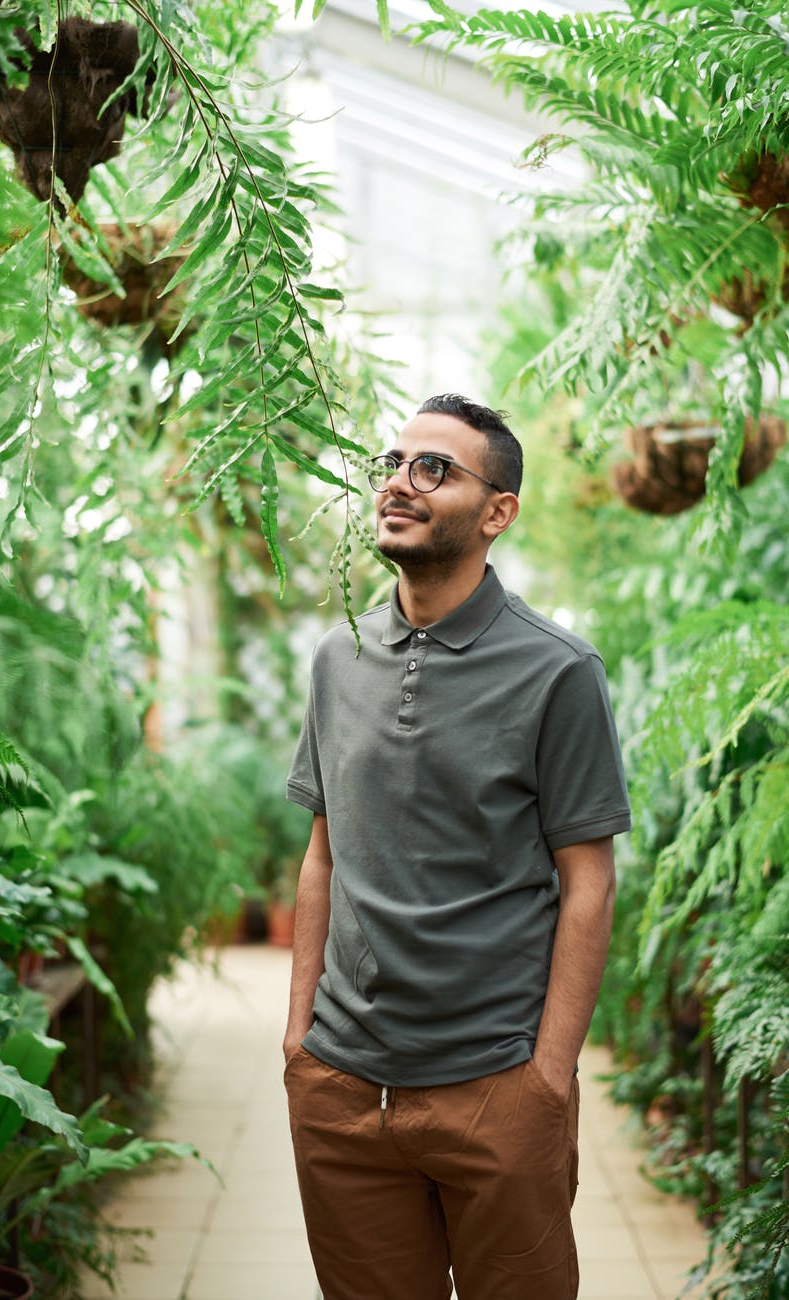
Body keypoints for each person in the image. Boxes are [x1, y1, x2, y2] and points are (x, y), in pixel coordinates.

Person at [283, 393, 632, 1300]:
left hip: (495, 1084)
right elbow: (322, 856)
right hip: (344, 1089)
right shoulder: (336, 658)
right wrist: (299, 1046)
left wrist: (546, 1080)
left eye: (433, 467)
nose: (399, 482)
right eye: (392, 463)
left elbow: (586, 884)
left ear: (496, 512)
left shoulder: (557, 671)